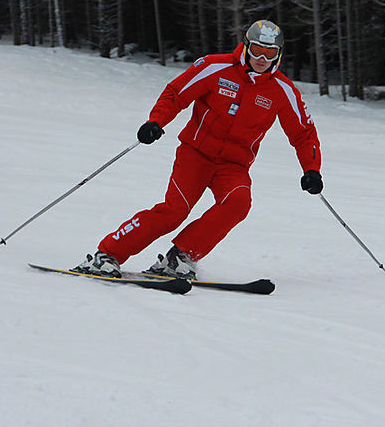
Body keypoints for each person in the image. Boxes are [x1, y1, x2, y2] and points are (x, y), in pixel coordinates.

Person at [76, 19, 323, 279]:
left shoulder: (283, 90)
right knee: (174, 212)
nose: (261, 58)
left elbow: (304, 134)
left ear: (279, 54)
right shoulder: (216, 67)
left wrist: (312, 170)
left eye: (269, 52)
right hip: (196, 154)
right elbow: (176, 93)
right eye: (256, 50)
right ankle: (107, 254)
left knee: (238, 203)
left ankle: (180, 257)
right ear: (246, 47)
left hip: (234, 165)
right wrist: (156, 121)